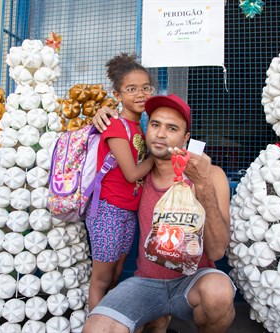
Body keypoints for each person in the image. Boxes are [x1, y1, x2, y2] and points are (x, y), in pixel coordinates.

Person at [83, 94, 236, 333]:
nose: (161, 134)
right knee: (97, 328)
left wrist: (203, 186)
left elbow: (217, 250)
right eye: (155, 125)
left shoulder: (211, 175)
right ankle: (157, 320)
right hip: (146, 283)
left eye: (172, 128)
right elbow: (110, 139)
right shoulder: (135, 177)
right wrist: (101, 115)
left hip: (193, 280)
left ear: (185, 138)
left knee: (219, 292)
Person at [85, 53, 155, 311]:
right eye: (132, 89)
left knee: (115, 275)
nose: (141, 94)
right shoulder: (116, 126)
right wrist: (159, 156)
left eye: (145, 87)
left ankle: (109, 322)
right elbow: (133, 174)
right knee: (101, 280)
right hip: (107, 210)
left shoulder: (139, 128)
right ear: (117, 95)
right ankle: (95, 327)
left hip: (127, 211)